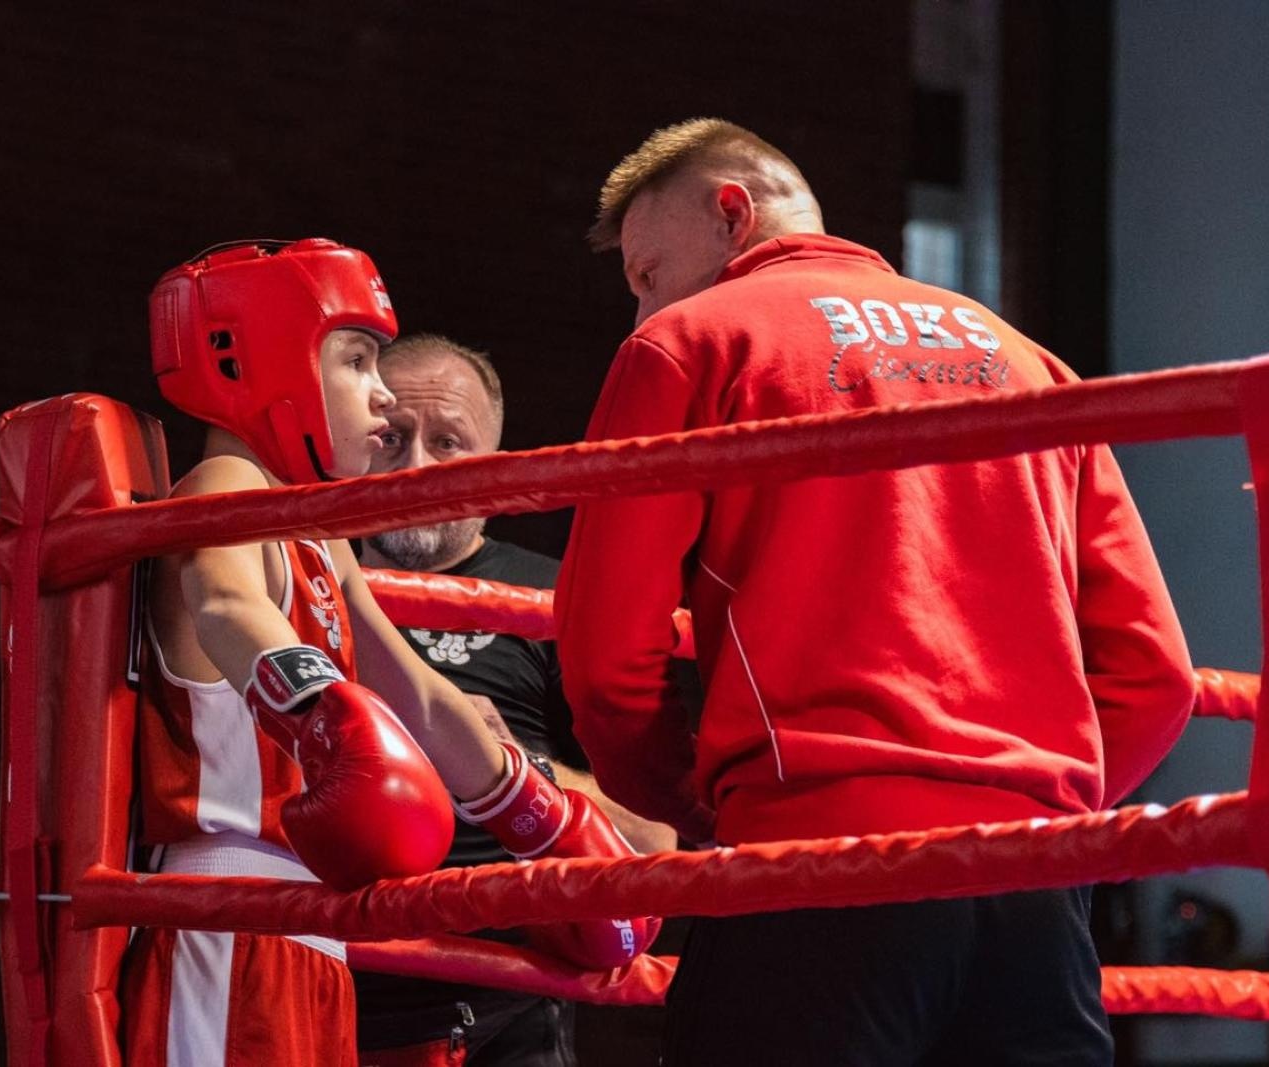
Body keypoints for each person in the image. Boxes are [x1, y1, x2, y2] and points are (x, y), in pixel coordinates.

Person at [555, 120, 1197, 1066]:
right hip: (1034, 887)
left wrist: (698, 802)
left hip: (818, 860)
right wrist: (1042, 802)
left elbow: (605, 652)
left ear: (732, 212)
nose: (640, 312)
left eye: (647, 274)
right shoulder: (1027, 360)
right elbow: (1158, 674)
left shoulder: (692, 341)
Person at [122, 239, 658, 1067]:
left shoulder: (320, 535)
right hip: (228, 910)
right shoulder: (223, 491)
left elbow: (423, 695)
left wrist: (541, 819)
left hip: (309, 926)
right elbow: (226, 603)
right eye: (357, 360)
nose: (379, 391)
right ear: (261, 360)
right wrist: (328, 714)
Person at [351, 333, 675, 1066]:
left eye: (448, 443)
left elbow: (656, 841)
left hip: (499, 1007)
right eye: (393, 438)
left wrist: (512, 765)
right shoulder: (304, 582)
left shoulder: (552, 601)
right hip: (322, 979)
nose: (415, 467)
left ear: (495, 466)